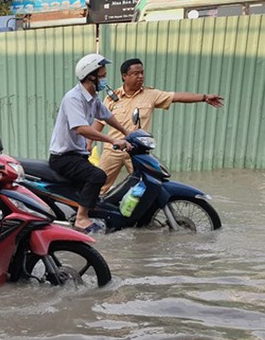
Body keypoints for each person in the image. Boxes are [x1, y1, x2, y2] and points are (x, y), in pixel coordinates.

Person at [92, 58, 225, 194]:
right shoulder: (111, 98)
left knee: (143, 187)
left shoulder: (151, 95)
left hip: (137, 150)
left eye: (142, 73)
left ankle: (137, 215)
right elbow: (100, 122)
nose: (140, 76)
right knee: (98, 185)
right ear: (124, 76)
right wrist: (88, 144)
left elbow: (177, 97)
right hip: (114, 149)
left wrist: (203, 97)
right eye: (136, 73)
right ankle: (87, 213)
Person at [48, 54, 132, 234]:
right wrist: (112, 140)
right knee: (97, 176)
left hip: (77, 155)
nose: (105, 79)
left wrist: (128, 133)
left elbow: (107, 116)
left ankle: (83, 214)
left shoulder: (93, 98)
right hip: (63, 157)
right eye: (102, 75)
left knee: (92, 189)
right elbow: (81, 129)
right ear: (90, 76)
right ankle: (81, 219)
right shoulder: (73, 98)